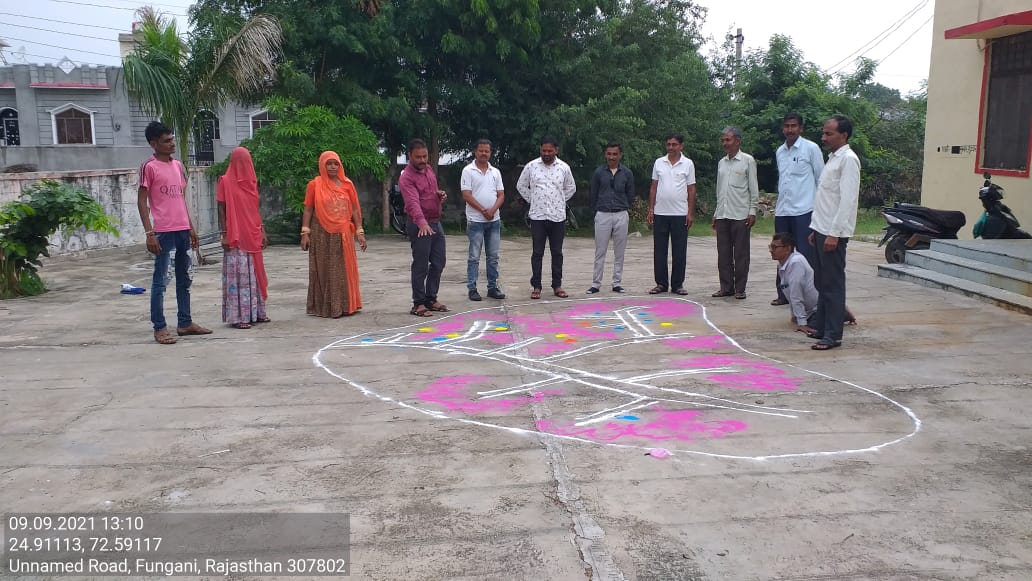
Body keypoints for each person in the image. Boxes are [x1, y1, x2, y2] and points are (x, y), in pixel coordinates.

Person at [136, 121, 212, 345]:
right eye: (166, 141)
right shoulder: (149, 167)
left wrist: (191, 227)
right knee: (160, 282)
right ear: (153, 143)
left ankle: (185, 323)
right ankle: (159, 327)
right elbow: (141, 201)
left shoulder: (178, 166)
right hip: (163, 232)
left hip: (182, 231)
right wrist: (149, 233)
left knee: (185, 279)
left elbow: (180, 199)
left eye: (172, 140)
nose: (172, 144)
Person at [808, 115, 860, 351]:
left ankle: (833, 334)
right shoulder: (832, 159)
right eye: (824, 133)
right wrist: (814, 227)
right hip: (821, 228)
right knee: (821, 281)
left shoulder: (848, 160)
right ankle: (821, 326)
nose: (824, 137)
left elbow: (847, 201)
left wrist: (834, 234)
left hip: (833, 233)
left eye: (829, 134)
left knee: (833, 284)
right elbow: (825, 199)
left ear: (844, 135)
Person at [300, 151, 367, 318]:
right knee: (324, 270)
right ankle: (326, 307)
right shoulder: (314, 185)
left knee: (343, 271)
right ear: (322, 165)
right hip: (321, 234)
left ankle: (345, 305)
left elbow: (353, 209)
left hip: (343, 234)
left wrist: (359, 231)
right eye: (328, 163)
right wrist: (305, 232)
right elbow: (308, 209)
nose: (332, 166)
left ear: (340, 165)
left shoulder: (347, 184)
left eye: (335, 163)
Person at [773, 112, 824, 306]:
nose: (790, 130)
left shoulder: (811, 148)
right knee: (781, 252)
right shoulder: (780, 151)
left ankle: (808, 296)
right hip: (783, 210)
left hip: (804, 210)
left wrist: (819, 211)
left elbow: (821, 179)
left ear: (800, 128)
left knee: (805, 254)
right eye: (786, 126)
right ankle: (783, 294)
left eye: (793, 126)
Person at [517, 136, 576, 299]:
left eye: (550, 151)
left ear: (556, 150)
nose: (547, 153)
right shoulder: (532, 166)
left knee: (557, 252)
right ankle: (536, 285)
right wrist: (533, 198)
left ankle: (557, 285)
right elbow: (520, 185)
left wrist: (560, 199)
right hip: (537, 216)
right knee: (537, 252)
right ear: (540, 150)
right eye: (544, 150)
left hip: (557, 216)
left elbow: (571, 187)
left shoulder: (564, 167)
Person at [217, 146, 269, 329]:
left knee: (254, 275)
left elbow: (254, 210)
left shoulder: (252, 183)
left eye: (247, 161)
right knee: (239, 277)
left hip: (252, 233)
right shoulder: (224, 181)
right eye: (240, 161)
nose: (244, 165)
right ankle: (239, 317)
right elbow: (221, 209)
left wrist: (262, 230)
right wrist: (224, 234)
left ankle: (257, 313)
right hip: (236, 236)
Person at [770, 232, 857, 334]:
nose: (771, 250)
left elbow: (796, 295)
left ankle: (841, 312)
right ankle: (839, 310)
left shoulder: (796, 263)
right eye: (770, 246)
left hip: (817, 309)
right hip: (810, 310)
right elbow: (789, 291)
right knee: (806, 321)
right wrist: (795, 316)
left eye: (774, 247)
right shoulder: (782, 264)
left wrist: (801, 323)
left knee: (815, 326)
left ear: (787, 249)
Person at [400, 138, 448, 317]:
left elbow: (429, 193)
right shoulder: (406, 177)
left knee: (438, 262)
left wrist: (439, 195)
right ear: (409, 156)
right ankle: (418, 303)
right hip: (419, 224)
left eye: (425, 156)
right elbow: (412, 203)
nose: (422, 160)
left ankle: (431, 298)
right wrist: (422, 224)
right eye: (418, 157)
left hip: (435, 222)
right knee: (421, 264)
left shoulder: (428, 170)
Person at [712, 127, 758, 300]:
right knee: (723, 253)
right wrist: (716, 213)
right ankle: (726, 287)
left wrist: (752, 211)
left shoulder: (747, 160)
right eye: (723, 140)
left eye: (728, 140)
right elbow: (719, 190)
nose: (725, 143)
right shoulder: (721, 162)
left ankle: (740, 288)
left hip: (740, 214)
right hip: (723, 214)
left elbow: (753, 188)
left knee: (741, 253)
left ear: (737, 141)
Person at [648, 132, 696, 295]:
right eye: (668, 144)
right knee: (659, 250)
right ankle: (661, 283)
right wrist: (651, 209)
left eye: (674, 144)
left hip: (680, 213)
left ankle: (677, 284)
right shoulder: (659, 162)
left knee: (679, 250)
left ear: (681, 146)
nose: (671, 147)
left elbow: (691, 189)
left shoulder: (687, 164)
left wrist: (690, 213)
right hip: (661, 212)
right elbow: (654, 186)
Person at [461, 139, 506, 301]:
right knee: (474, 256)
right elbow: (467, 195)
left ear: (490, 153)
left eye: (487, 151)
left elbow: (501, 194)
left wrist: (492, 211)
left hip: (494, 221)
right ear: (475, 151)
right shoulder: (468, 171)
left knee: (493, 256)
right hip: (476, 221)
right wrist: (482, 210)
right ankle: (472, 288)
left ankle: (492, 287)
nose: (484, 153)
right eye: (481, 151)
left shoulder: (495, 172)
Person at [587, 142, 635, 295]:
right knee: (600, 251)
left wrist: (625, 205)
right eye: (609, 154)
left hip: (621, 213)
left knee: (619, 251)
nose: (612, 157)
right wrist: (596, 210)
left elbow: (630, 193)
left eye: (615, 154)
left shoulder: (626, 173)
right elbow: (593, 193)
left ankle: (617, 282)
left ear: (620, 155)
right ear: (605, 155)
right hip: (603, 213)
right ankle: (596, 283)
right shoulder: (599, 172)